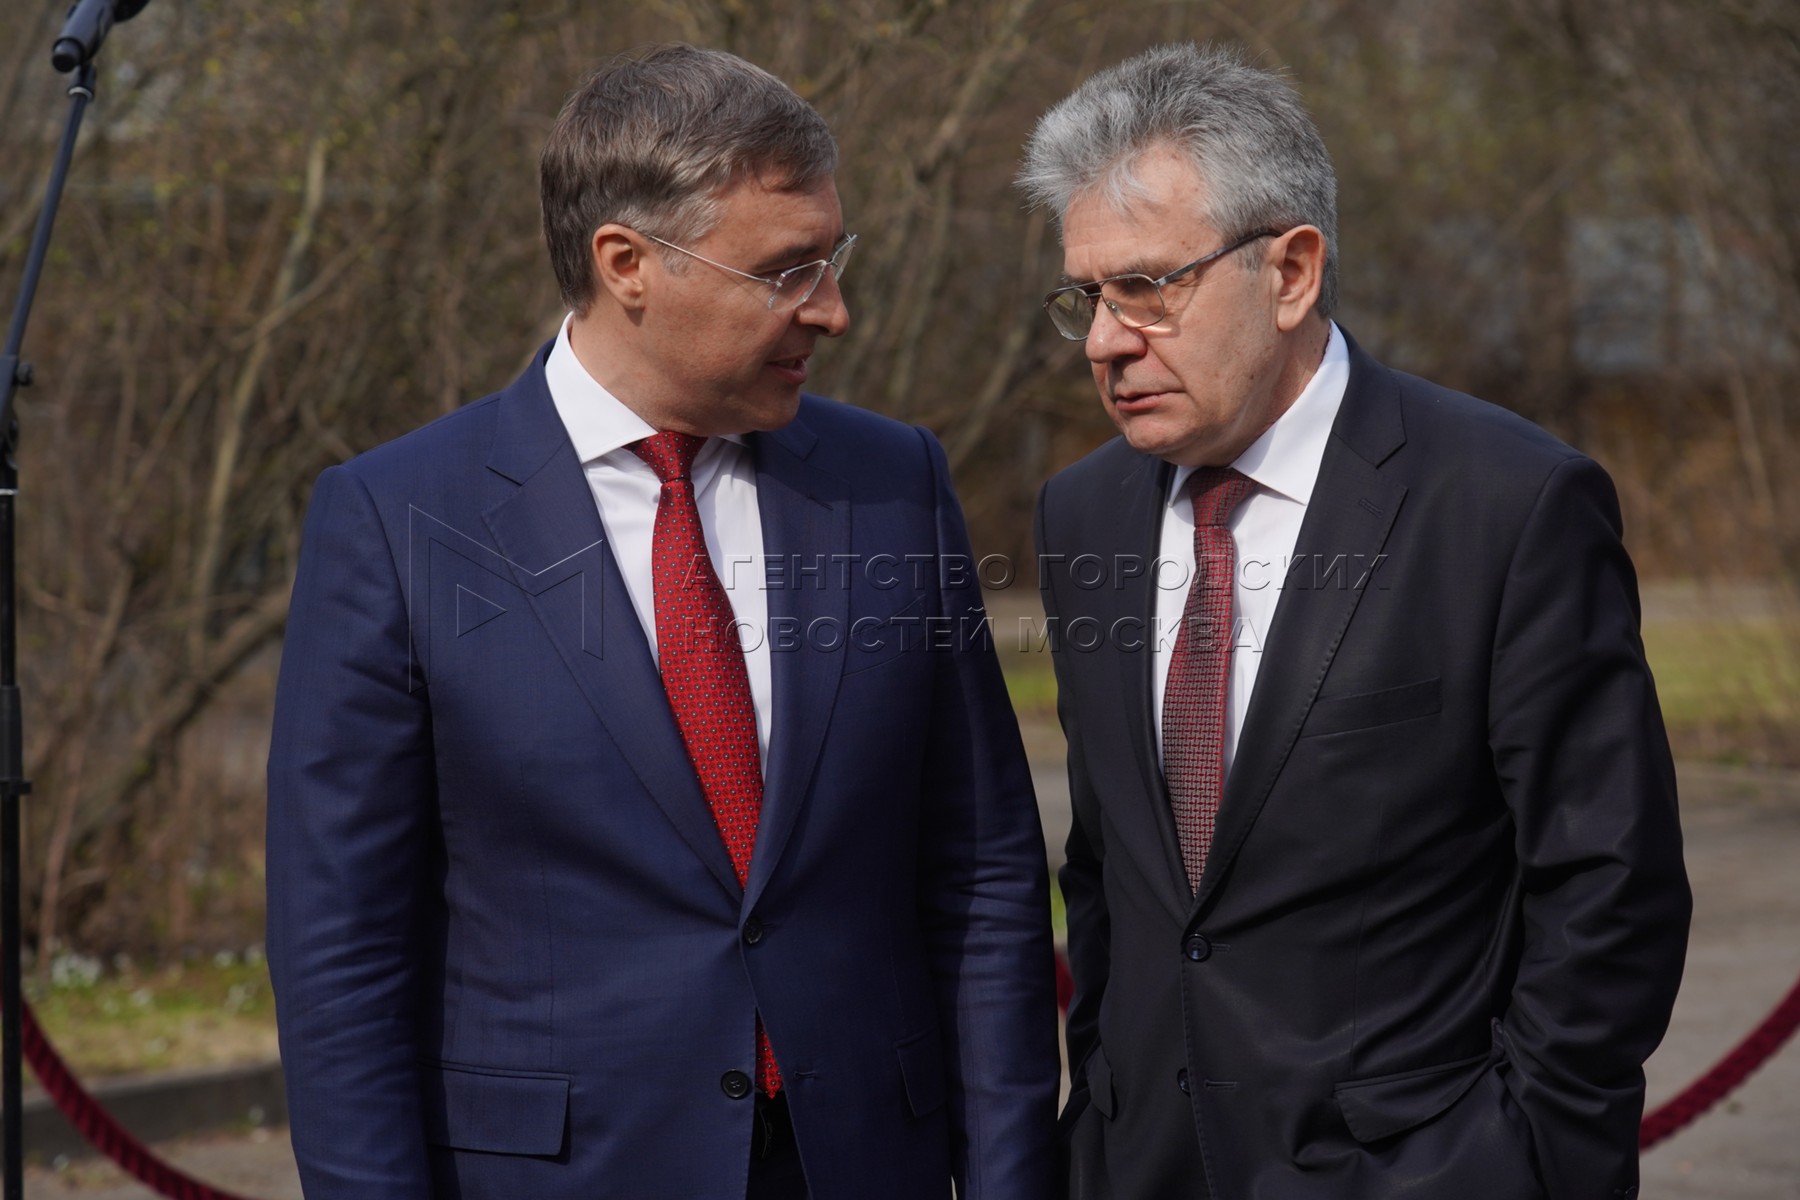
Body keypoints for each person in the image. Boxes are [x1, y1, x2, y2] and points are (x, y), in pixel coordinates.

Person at [267, 43, 1058, 1200]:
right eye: (786, 271)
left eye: (833, 258)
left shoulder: (893, 485)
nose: (833, 310)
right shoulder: (399, 517)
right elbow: (340, 949)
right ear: (628, 264)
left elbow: (981, 871)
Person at [1019, 42, 1690, 1200]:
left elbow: (1609, 885)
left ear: (1290, 272)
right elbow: (1110, 871)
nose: (1104, 340)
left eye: (1148, 288)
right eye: (1087, 296)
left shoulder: (1506, 502)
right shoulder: (1081, 515)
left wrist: (1524, 1162)